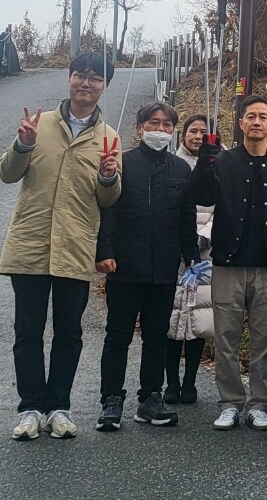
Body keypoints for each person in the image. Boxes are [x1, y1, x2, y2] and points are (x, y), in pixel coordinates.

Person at [1, 52, 122, 440]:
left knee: (69, 331)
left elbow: (109, 199)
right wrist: (22, 145)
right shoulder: (40, 124)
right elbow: (8, 175)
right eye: (80, 76)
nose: (86, 84)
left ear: (104, 86)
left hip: (74, 246)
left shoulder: (110, 137)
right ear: (69, 79)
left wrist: (107, 178)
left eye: (96, 78)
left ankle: (59, 407)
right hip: (32, 244)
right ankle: (31, 408)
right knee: (28, 331)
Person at [190, 94, 267, 431]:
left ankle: (259, 403)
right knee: (225, 337)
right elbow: (202, 196)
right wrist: (204, 163)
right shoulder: (223, 161)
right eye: (250, 116)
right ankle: (229, 402)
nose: (256, 121)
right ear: (240, 123)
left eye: (263, 116)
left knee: (264, 339)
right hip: (228, 262)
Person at [95, 102, 198, 430]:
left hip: (164, 267)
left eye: (168, 125)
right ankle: (111, 399)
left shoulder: (181, 169)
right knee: (118, 335)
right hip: (124, 266)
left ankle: (150, 397)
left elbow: (187, 216)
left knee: (156, 334)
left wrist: (192, 256)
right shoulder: (123, 163)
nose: (161, 130)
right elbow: (108, 211)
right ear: (140, 127)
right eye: (154, 123)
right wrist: (105, 250)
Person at [165, 113, 214, 405]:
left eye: (202, 132)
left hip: (205, 254)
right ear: (183, 134)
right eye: (192, 131)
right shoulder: (172, 164)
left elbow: (228, 208)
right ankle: (171, 381)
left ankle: (190, 382)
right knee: (172, 317)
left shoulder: (220, 165)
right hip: (174, 249)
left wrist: (205, 235)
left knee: (198, 317)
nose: (197, 137)